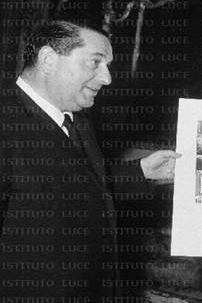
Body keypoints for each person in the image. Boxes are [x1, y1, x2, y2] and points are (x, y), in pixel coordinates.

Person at [0, 21, 180, 301]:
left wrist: (142, 171)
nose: (107, 78)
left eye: (107, 65)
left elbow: (75, 184)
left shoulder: (76, 120)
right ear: (48, 59)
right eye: (95, 62)